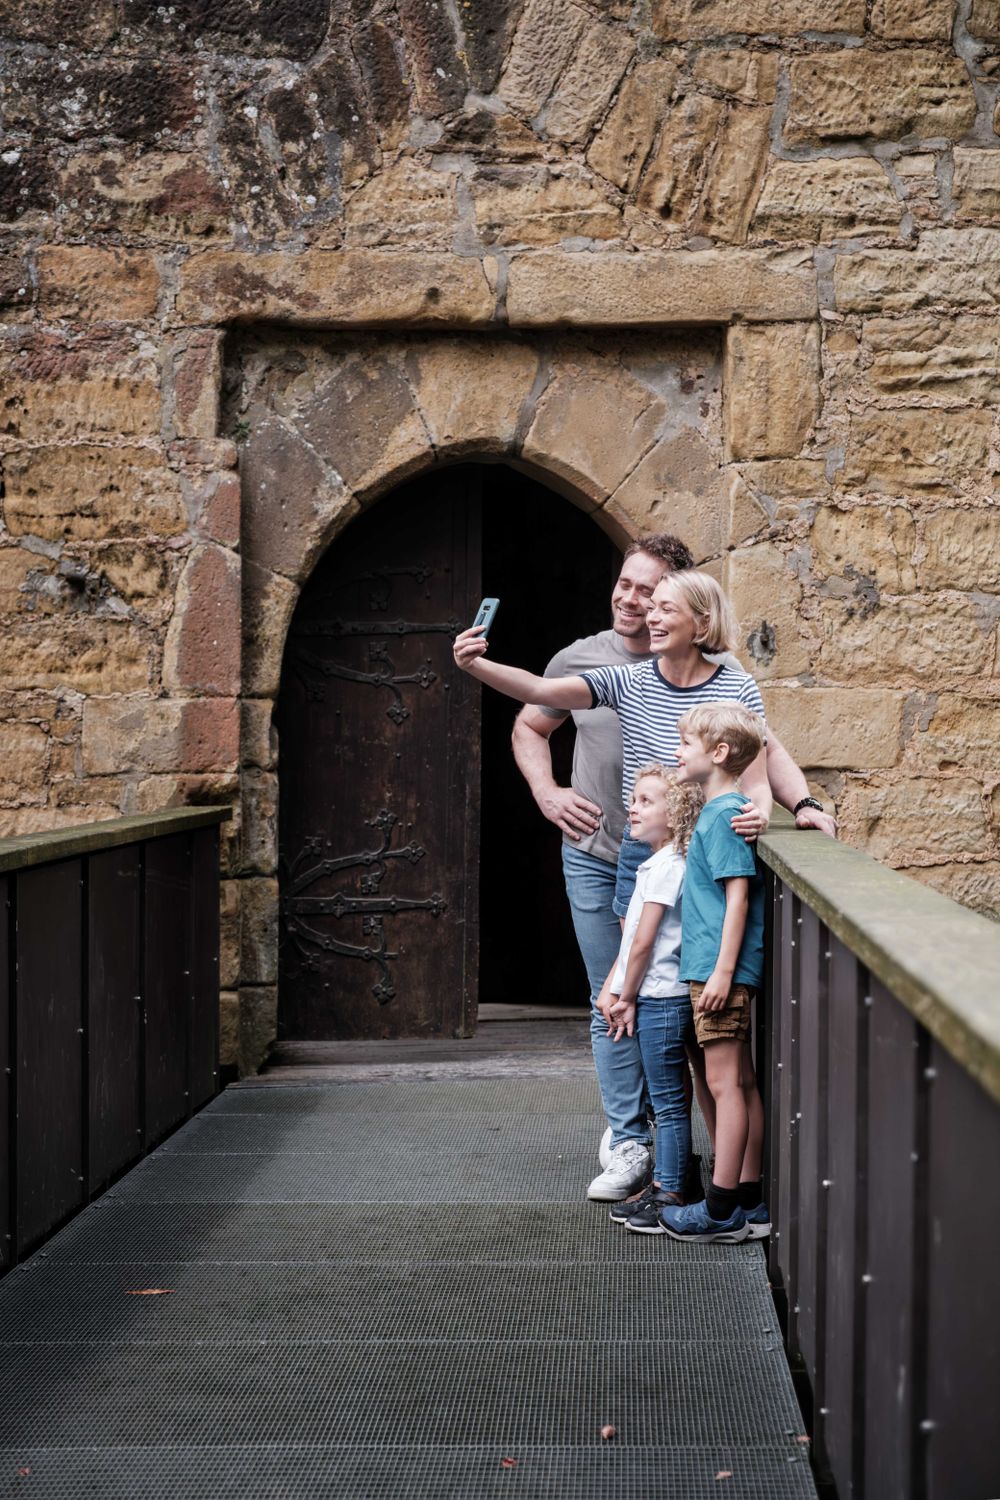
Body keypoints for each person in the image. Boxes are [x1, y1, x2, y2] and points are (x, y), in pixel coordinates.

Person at [509, 537, 836, 1198]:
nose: (637, 603)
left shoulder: (720, 674)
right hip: (601, 852)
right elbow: (530, 722)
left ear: (688, 608)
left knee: (668, 1006)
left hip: (678, 860)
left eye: (654, 593)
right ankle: (633, 1143)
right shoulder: (592, 661)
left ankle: (688, 1165)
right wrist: (548, 794)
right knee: (615, 994)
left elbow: (760, 750)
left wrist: (798, 802)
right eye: (628, 587)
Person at [639, 703, 770, 1245]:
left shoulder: (721, 815)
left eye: (685, 744)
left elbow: (737, 896)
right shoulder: (725, 810)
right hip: (721, 969)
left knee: (724, 1085)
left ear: (717, 755)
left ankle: (718, 1211)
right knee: (738, 1081)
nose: (677, 752)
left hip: (719, 972)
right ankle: (748, 1197)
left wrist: (720, 973)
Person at [590, 764, 705, 1230]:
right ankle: (670, 1180)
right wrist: (610, 988)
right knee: (669, 1098)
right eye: (633, 800)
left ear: (674, 815)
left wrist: (626, 995)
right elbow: (633, 936)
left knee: (669, 1102)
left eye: (645, 802)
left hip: (662, 998)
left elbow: (644, 942)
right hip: (656, 995)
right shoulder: (657, 863)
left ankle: (670, 1191)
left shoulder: (668, 867)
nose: (632, 809)